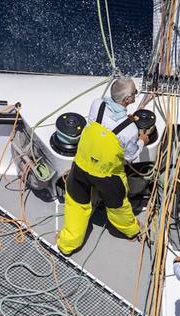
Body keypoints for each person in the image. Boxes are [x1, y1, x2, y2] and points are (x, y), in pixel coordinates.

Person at [57, 76, 148, 255]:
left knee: (76, 205)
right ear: (127, 100)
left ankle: (66, 245)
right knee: (118, 206)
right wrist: (142, 141)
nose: (136, 96)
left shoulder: (96, 104)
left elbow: (106, 124)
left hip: (81, 169)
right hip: (107, 177)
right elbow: (130, 155)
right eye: (135, 93)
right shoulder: (130, 130)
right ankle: (132, 231)